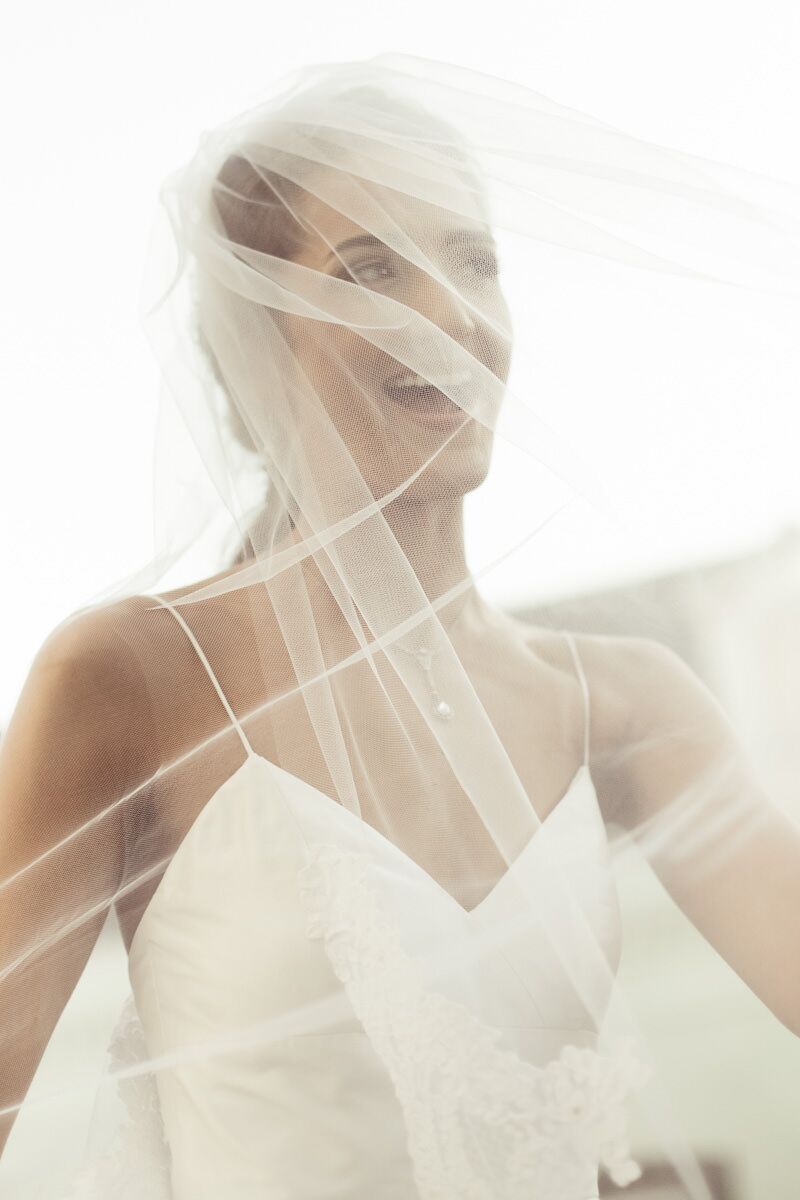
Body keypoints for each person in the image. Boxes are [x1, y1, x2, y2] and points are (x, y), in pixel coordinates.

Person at [1, 53, 799, 1200]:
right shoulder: (129, 679)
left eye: (472, 259)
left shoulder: (623, 705)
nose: (449, 314)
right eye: (368, 271)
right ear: (256, 344)